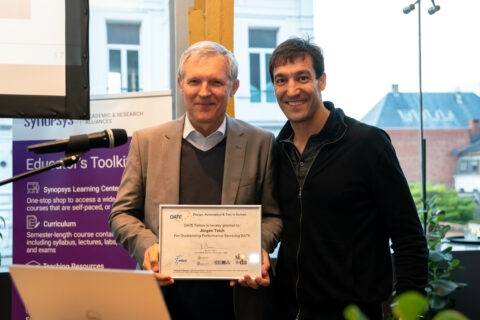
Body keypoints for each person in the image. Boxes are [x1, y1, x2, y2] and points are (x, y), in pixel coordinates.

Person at [109, 41, 282, 320]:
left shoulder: (260, 143)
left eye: (215, 82)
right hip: (165, 301)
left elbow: (274, 216)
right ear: (180, 84)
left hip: (239, 302)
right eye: (194, 81)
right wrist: (147, 247)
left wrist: (254, 247)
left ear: (233, 87)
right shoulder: (147, 142)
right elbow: (121, 214)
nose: (204, 92)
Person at [269, 37, 428, 320]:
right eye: (281, 81)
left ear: (322, 80)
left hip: (355, 314)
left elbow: (409, 238)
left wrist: (407, 313)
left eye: (302, 77)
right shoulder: (276, 151)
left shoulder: (368, 144)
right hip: (288, 312)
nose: (291, 90)